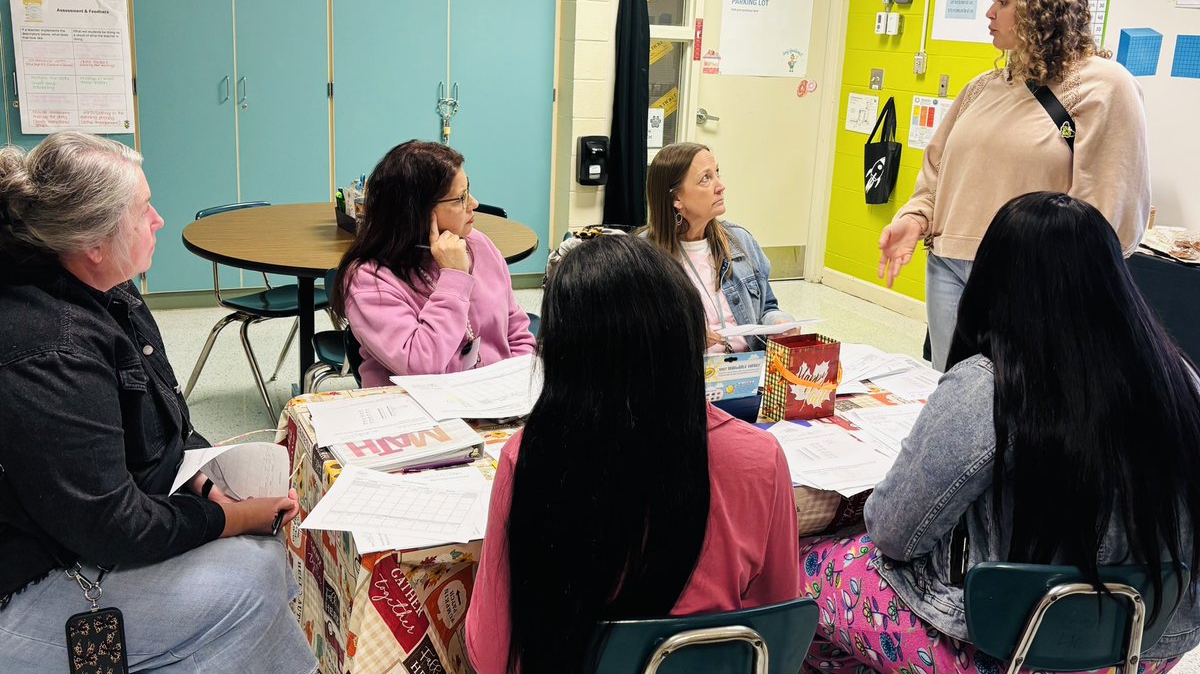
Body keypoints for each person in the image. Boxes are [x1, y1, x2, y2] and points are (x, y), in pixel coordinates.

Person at [803, 192, 1200, 673]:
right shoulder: (1178, 376)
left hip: (1002, 648)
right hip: (1143, 647)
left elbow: (892, 532)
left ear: (995, 279)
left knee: (806, 567)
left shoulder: (990, 385)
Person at [0, 132, 315, 674]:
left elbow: (164, 428)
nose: (159, 220)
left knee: (259, 573)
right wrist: (229, 517)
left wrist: (205, 485)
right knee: (254, 579)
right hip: (28, 584)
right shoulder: (48, 348)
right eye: (143, 210)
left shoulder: (104, 286)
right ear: (94, 243)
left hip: (73, 536)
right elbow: (113, 526)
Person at [464, 234, 801, 674]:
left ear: (562, 355)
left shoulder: (529, 456)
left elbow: (491, 653)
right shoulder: (761, 458)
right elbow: (778, 621)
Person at [877, 0, 1151, 371]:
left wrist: (1057, 281)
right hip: (949, 266)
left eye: (1003, 2)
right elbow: (937, 171)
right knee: (953, 397)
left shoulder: (1103, 86)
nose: (990, 13)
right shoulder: (982, 87)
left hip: (1032, 280)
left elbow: (1106, 207)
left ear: (1043, 9)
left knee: (1018, 406)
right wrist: (915, 218)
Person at [331, 140, 535, 386]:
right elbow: (420, 365)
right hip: (416, 410)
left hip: (493, 403)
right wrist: (454, 278)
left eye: (468, 191)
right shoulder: (368, 279)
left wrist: (518, 386)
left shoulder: (479, 244)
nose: (474, 204)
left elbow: (516, 331)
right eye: (460, 198)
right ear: (416, 211)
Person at [644, 142, 793, 354]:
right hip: (687, 378)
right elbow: (632, 339)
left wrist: (779, 323)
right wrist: (683, 338)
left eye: (717, 173)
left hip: (746, 372)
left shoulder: (740, 240)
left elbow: (767, 308)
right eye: (706, 178)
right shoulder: (642, 257)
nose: (721, 186)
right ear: (677, 198)